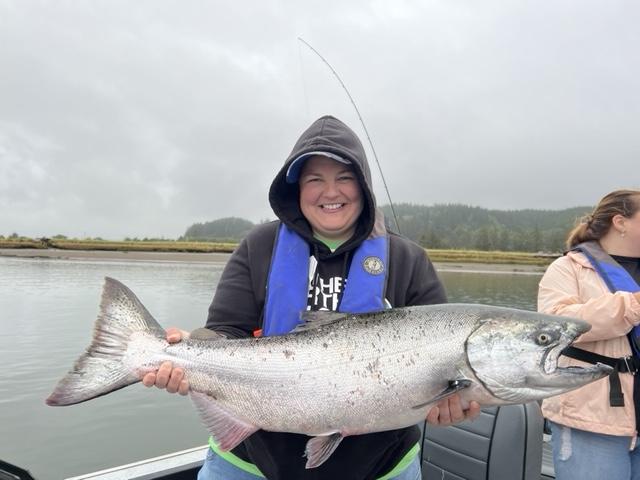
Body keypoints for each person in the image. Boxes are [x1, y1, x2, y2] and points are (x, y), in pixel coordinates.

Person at [143, 115, 481, 479]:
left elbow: (442, 367)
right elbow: (225, 331)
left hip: (380, 468)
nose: (330, 192)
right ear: (296, 189)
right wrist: (188, 352)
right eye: (315, 180)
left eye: (344, 179)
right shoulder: (258, 247)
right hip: (247, 463)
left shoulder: (408, 260)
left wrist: (450, 407)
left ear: (363, 186)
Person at [538, 189, 640, 480]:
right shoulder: (568, 269)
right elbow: (555, 325)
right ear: (620, 222)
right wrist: (633, 305)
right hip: (591, 424)